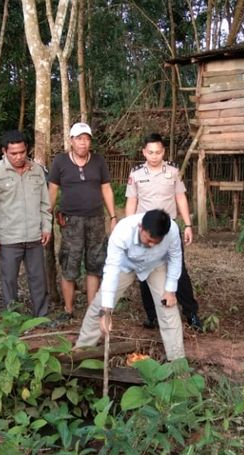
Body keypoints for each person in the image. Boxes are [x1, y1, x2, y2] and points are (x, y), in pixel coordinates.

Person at [75, 209, 185, 360]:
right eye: (147, 240)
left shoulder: (171, 230)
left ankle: (178, 363)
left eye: (155, 242)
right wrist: (106, 311)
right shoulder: (122, 231)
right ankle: (79, 353)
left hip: (155, 266)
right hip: (125, 266)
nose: (151, 245)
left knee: (168, 308)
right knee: (99, 306)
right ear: (141, 227)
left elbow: (175, 257)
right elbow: (111, 270)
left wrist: (170, 290)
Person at [125, 133, 202, 332]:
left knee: (179, 272)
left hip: (169, 231)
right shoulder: (136, 174)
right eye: (150, 152)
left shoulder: (173, 172)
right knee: (145, 272)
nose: (154, 156)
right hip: (145, 232)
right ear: (144, 152)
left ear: (163, 152)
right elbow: (131, 202)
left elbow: (181, 198)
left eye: (158, 152)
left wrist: (188, 225)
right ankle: (152, 316)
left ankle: (191, 313)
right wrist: (129, 227)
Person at [48, 122, 116, 321]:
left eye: (86, 139)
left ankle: (92, 310)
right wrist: (46, 215)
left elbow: (106, 188)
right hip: (70, 221)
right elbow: (53, 190)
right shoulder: (60, 161)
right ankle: (68, 310)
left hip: (95, 219)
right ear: (71, 141)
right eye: (79, 139)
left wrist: (113, 216)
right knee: (69, 263)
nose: (83, 143)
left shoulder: (98, 161)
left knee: (94, 264)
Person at [0, 130, 52, 317]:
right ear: (4, 151)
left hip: (34, 236)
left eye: (22, 152)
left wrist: (46, 227)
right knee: (9, 280)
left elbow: (45, 203)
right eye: (13, 153)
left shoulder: (37, 171)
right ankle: (12, 318)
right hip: (8, 238)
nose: (19, 157)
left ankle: (41, 316)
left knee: (38, 279)